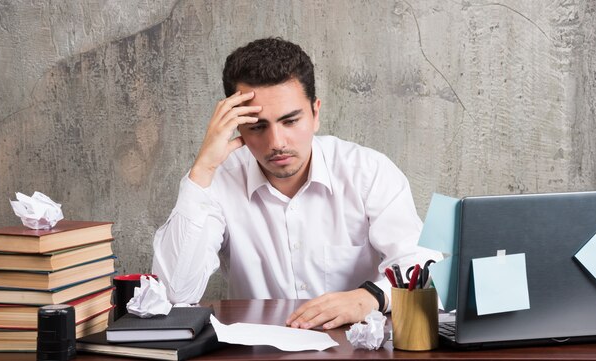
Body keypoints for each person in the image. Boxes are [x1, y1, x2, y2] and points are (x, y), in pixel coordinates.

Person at [152, 37, 437, 330]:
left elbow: (423, 267)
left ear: (315, 113)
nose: (276, 143)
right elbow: (173, 294)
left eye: (290, 121)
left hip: (356, 347)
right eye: (258, 126)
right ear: (237, 127)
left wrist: (369, 297)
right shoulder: (216, 181)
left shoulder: (367, 172)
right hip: (258, 353)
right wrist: (202, 170)